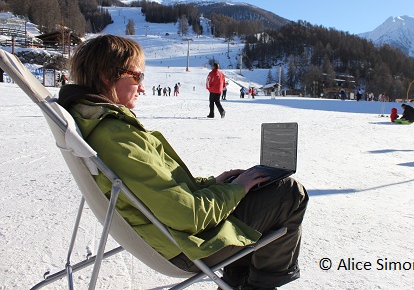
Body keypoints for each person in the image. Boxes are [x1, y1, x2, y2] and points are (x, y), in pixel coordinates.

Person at [57, 35, 308, 290]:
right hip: (185, 247)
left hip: (168, 235)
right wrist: (235, 189)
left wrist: (216, 183)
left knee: (260, 189)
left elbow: (166, 191)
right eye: (137, 77)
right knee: (289, 194)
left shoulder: (101, 126)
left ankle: (237, 281)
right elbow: (187, 215)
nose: (142, 87)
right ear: (107, 76)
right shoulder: (117, 137)